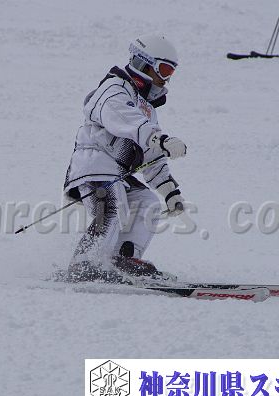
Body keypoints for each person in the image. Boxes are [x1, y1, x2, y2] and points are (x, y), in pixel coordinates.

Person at [62, 34, 187, 283]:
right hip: (94, 166)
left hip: (117, 173)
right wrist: (159, 138)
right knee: (113, 208)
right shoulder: (114, 89)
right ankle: (83, 264)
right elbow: (124, 120)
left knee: (147, 202)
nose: (166, 78)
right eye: (164, 70)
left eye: (171, 73)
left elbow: (150, 154)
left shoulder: (146, 108)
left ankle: (123, 261)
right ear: (145, 63)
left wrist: (170, 191)